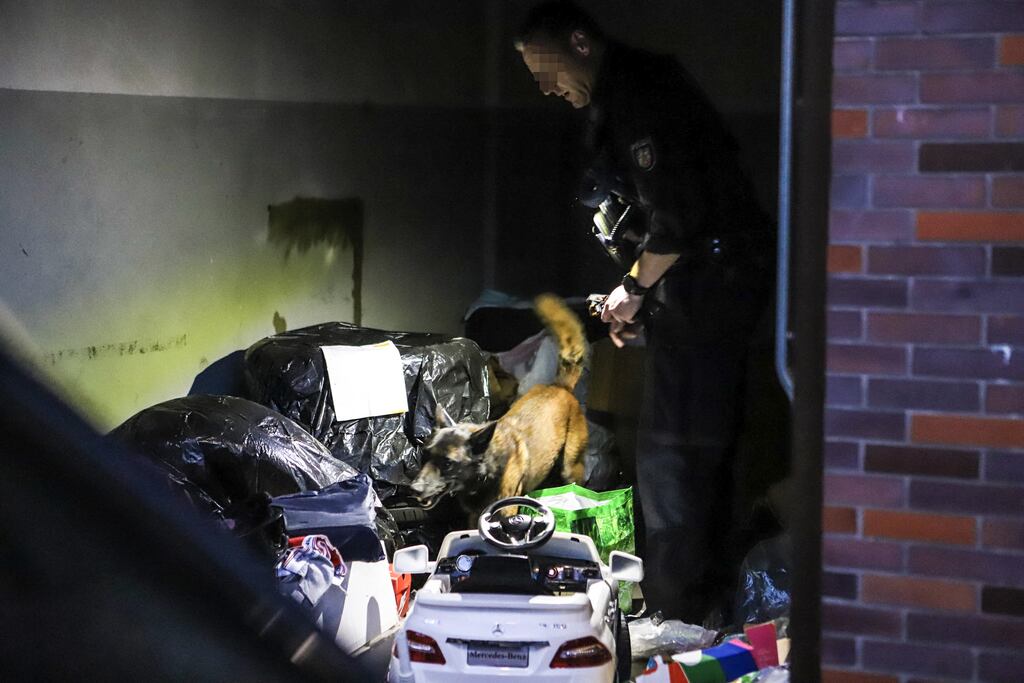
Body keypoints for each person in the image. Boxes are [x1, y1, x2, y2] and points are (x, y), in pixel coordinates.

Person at [516, 1, 779, 624]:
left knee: (673, 458)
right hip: (707, 289)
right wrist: (638, 292)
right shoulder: (629, 92)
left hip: (712, 290)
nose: (544, 87)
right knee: (696, 454)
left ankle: (680, 617)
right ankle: (702, 607)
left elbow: (679, 218)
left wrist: (634, 290)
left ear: (579, 42)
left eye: (544, 68)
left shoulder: (639, 93)